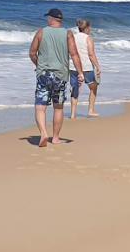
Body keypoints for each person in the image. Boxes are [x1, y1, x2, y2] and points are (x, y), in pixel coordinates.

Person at [28, 8, 86, 147]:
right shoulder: (68, 33)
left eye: (48, 18)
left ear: (51, 19)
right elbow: (74, 54)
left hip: (44, 74)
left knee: (40, 107)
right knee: (58, 107)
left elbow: (32, 53)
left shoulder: (41, 32)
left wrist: (39, 65)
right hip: (60, 75)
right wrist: (80, 73)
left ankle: (43, 133)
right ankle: (55, 138)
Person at [68, 18, 102, 119]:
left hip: (73, 66)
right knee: (93, 87)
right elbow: (91, 54)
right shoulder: (88, 38)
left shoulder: (72, 37)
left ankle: (73, 114)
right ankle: (91, 110)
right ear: (87, 28)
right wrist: (97, 66)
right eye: (89, 27)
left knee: (75, 89)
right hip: (86, 67)